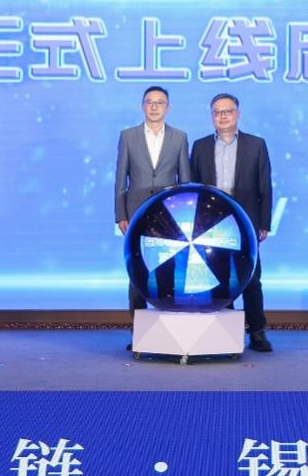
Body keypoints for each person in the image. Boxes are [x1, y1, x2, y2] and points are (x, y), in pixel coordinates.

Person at [189, 92, 273, 352]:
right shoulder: (200, 146)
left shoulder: (256, 144)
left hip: (247, 220)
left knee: (251, 278)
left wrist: (264, 223)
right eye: (217, 112)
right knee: (219, 277)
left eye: (227, 111)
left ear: (238, 114)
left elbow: (265, 187)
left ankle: (257, 331)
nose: (222, 116)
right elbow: (194, 188)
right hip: (212, 224)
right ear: (211, 116)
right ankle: (225, 331)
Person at [115, 86, 192, 319]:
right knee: (137, 268)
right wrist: (121, 214)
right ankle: (137, 325)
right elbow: (121, 178)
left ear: (168, 108)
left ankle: (167, 320)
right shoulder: (128, 136)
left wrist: (185, 216)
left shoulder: (180, 137)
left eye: (160, 102)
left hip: (168, 213)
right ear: (143, 106)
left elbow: (185, 180)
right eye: (150, 102)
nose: (154, 106)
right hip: (136, 211)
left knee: (167, 266)